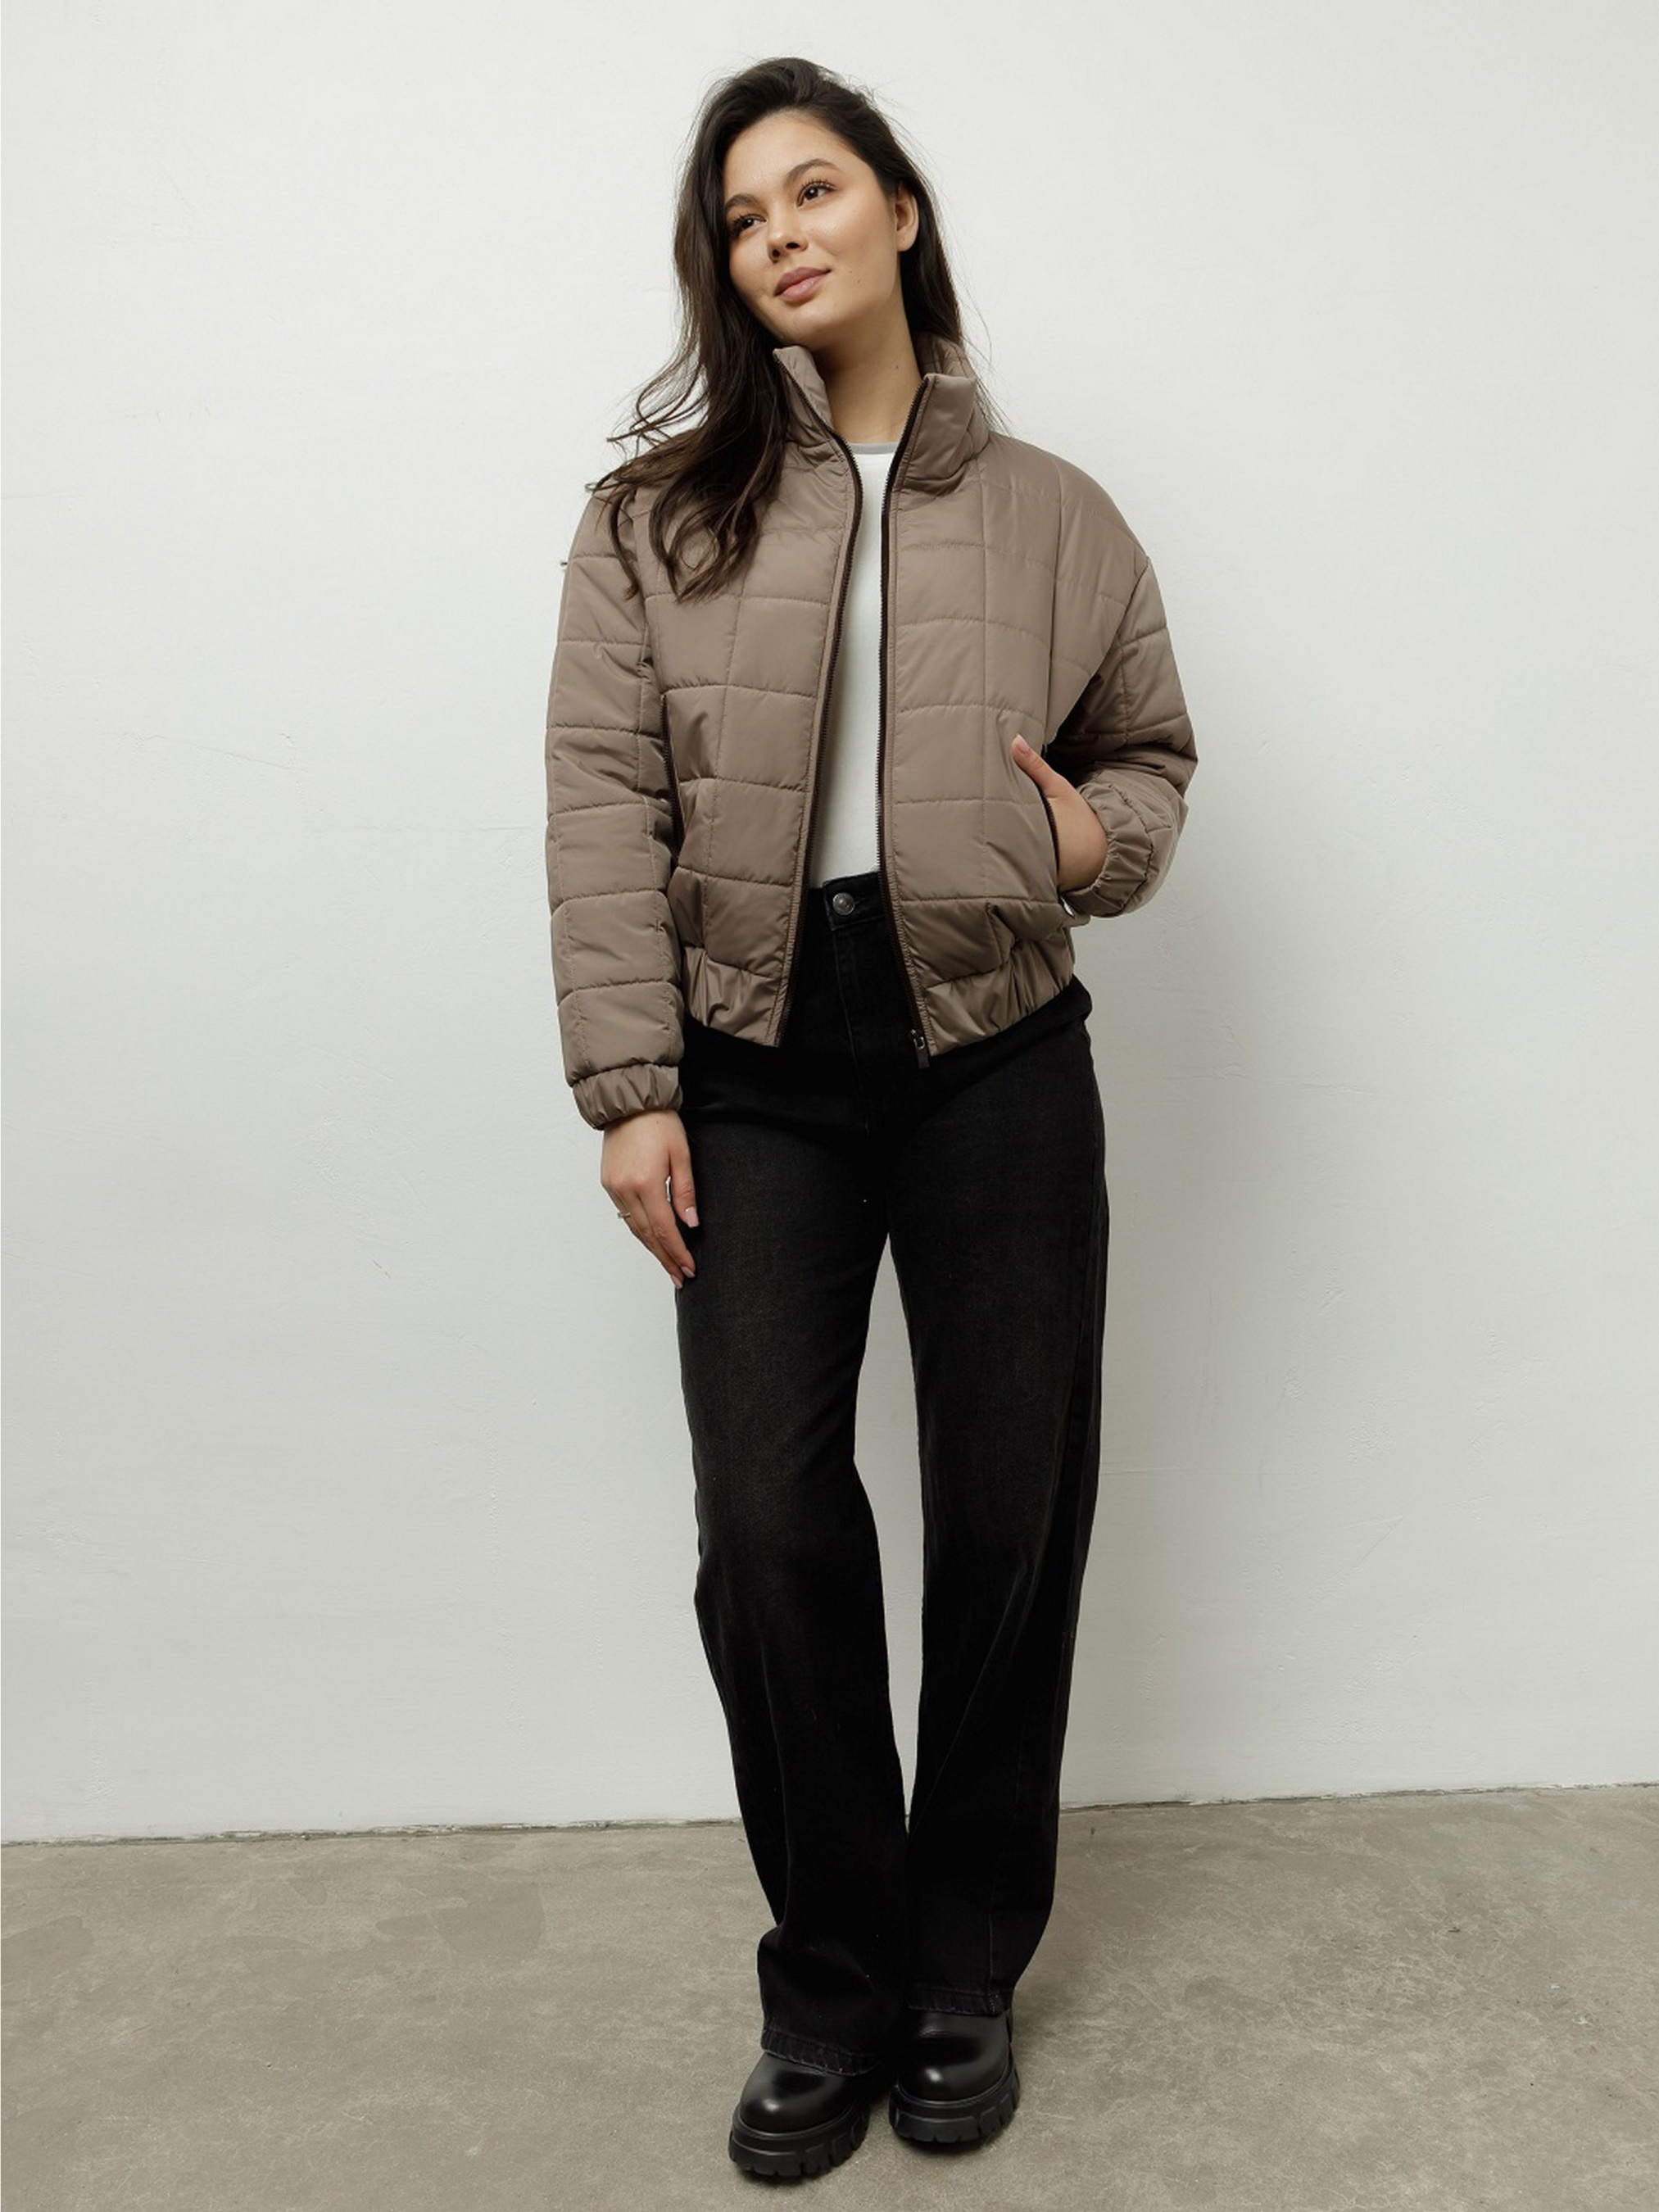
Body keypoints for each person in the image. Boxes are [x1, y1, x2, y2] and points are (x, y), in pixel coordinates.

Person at [542, 55, 1197, 2180]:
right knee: (767, 1524)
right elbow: (602, 802)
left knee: (1010, 1515)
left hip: (998, 1048)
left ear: (900, 211)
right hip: (750, 1060)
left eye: (812, 191)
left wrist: (1088, 841)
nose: (779, 238)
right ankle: (827, 1979)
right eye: (741, 220)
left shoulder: (1058, 514)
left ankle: (957, 1972)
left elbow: (1152, 755)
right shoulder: (653, 517)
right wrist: (631, 1088)